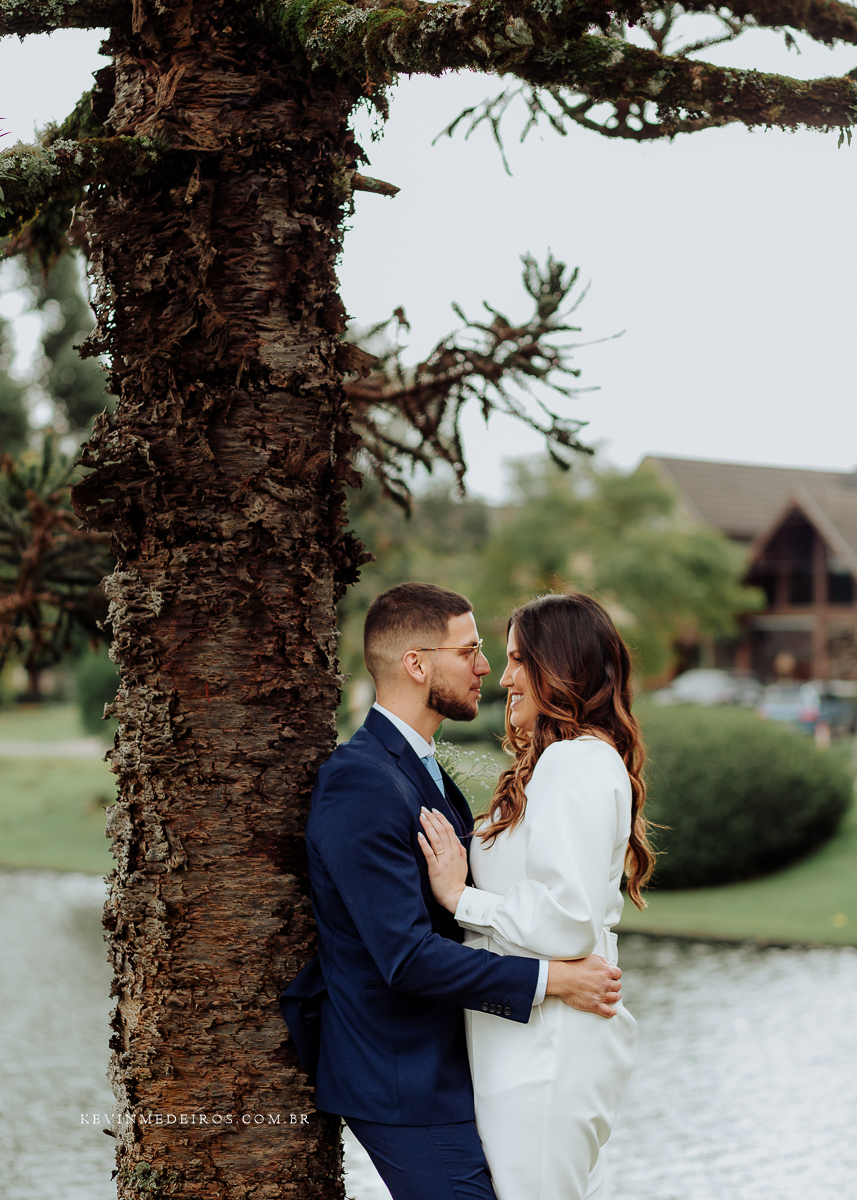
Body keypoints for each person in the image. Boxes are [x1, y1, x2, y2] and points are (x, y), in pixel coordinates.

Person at [280, 582, 623, 1200]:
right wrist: (553, 980)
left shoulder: (423, 772)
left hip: (456, 1068)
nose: (486, 667)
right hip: (400, 1076)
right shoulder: (361, 781)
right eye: (469, 651)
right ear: (417, 664)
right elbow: (405, 956)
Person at [418, 592, 654, 1200]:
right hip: (524, 1039)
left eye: (519, 660)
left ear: (560, 666)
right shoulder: (560, 763)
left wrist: (459, 898)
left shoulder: (575, 763)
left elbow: (569, 920)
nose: (504, 678)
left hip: (549, 1051)